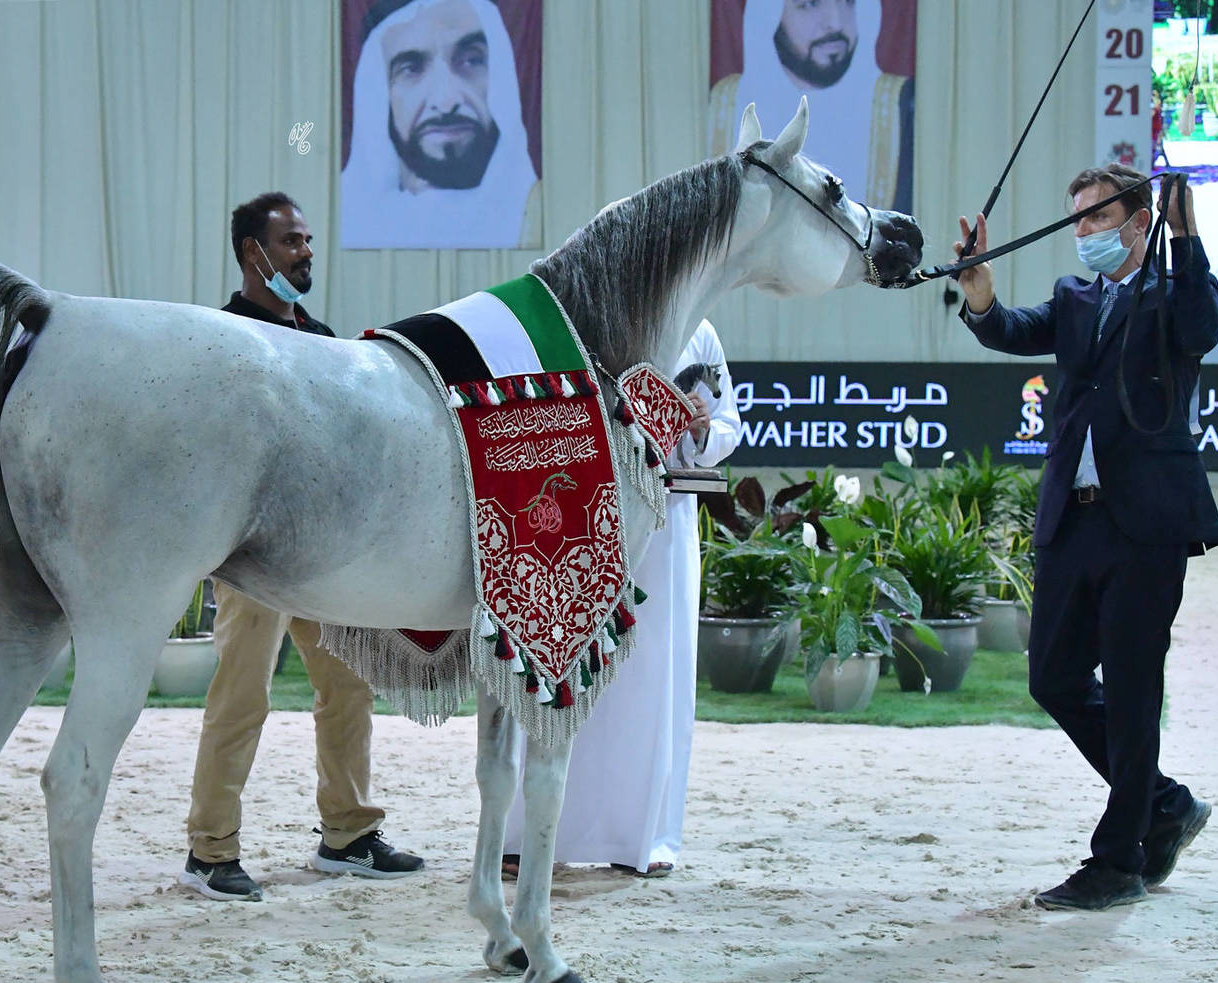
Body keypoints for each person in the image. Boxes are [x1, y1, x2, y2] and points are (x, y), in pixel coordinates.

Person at [953, 165, 1218, 911]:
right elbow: (1009, 329)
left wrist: (1188, 233)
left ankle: (1118, 860)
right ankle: (1164, 804)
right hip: (1074, 519)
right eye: (1076, 220)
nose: (1083, 233)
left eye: (1097, 218)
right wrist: (981, 294)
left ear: (1141, 222)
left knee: (1135, 691)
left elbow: (1203, 330)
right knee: (1054, 677)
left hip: (1148, 524)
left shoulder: (1174, 293)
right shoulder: (1075, 299)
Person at [181, 191, 424, 901]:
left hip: (325, 553)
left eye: (308, 240)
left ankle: (347, 832)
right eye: (290, 241)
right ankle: (210, 848)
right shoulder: (220, 336)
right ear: (252, 252)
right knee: (242, 691)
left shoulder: (323, 336)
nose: (305, 252)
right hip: (253, 555)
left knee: (349, 685)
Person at [503, 320, 742, 877]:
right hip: (576, 516)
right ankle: (524, 834)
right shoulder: (577, 302)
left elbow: (727, 426)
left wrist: (704, 429)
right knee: (559, 662)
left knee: (652, 675)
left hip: (663, 522)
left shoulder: (701, 325)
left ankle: (643, 840)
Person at [341, 0, 538, 249]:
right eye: (411, 68)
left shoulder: (536, 212)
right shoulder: (348, 216)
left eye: (471, 60)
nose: (446, 102)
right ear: (379, 97)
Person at [731, 0, 887, 205]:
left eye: (848, 2)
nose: (835, 23)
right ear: (770, 16)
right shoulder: (726, 104)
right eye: (810, 4)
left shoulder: (895, 104)